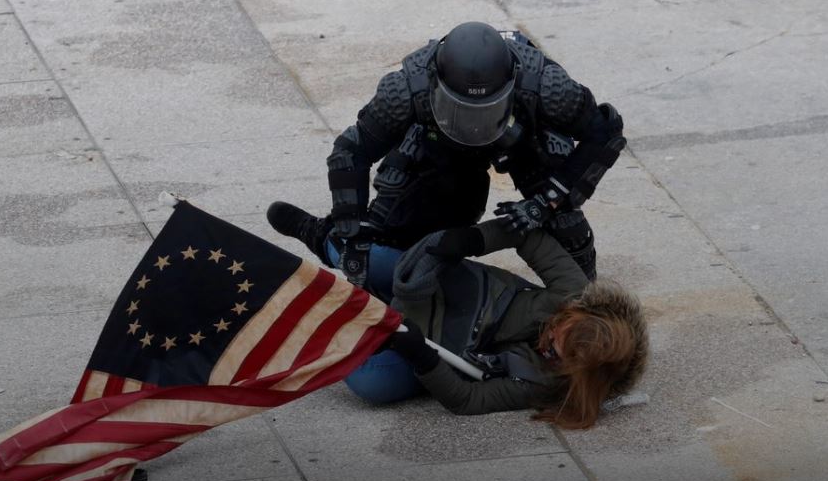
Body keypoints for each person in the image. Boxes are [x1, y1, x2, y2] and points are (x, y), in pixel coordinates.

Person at [267, 20, 626, 302]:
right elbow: (349, 151)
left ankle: (586, 298)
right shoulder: (406, 89)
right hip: (439, 142)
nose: (474, 123)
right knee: (383, 236)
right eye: (463, 108)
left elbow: (605, 132)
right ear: (434, 83)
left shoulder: (547, 85)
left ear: (513, 83)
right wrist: (352, 230)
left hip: (522, 140)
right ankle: (322, 236)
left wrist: (547, 201)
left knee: (570, 242)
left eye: (482, 109)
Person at [362, 220, 649, 428]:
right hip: (451, 291)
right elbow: (530, 237)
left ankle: (363, 313)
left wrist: (423, 359)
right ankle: (325, 241)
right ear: (578, 312)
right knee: (372, 259)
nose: (544, 343)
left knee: (372, 383)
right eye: (556, 327)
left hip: (437, 347)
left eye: (552, 354)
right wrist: (474, 239)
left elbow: (467, 400)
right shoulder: (574, 292)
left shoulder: (543, 384)